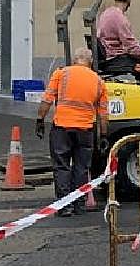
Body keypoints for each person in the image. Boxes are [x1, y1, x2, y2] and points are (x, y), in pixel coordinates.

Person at [35, 49, 108, 217]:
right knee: (81, 168)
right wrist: (103, 135)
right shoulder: (98, 81)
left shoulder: (61, 74)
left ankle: (64, 206)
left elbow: (47, 98)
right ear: (90, 62)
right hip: (85, 130)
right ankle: (79, 205)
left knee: (61, 166)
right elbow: (103, 112)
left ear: (75, 60)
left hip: (62, 128)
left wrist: (40, 119)